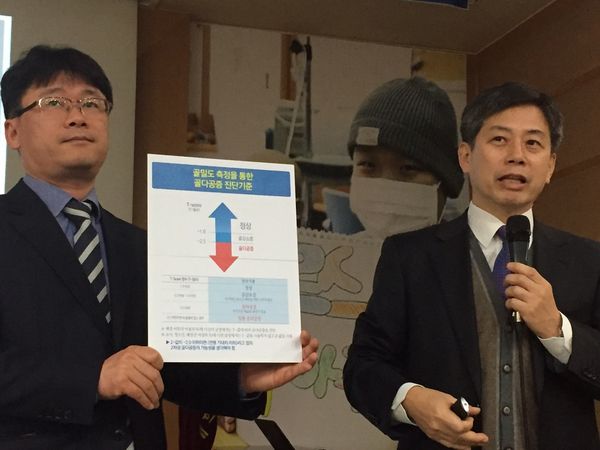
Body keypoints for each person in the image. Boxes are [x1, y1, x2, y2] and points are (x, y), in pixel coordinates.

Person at [0, 45, 318, 450]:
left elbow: (161, 364)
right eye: (54, 101)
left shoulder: (139, 245)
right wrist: (92, 379)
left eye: (92, 103)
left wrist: (241, 378)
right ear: (13, 132)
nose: (78, 115)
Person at [344, 81, 600, 449]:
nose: (517, 156)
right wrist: (411, 399)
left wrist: (558, 330)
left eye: (533, 143)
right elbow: (363, 366)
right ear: (465, 156)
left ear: (550, 166)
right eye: (499, 140)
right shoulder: (410, 257)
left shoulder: (588, 260)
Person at [344, 77, 465, 240]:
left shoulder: (469, 255)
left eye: (408, 168)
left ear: (446, 183)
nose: (385, 189)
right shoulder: (344, 253)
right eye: (368, 165)